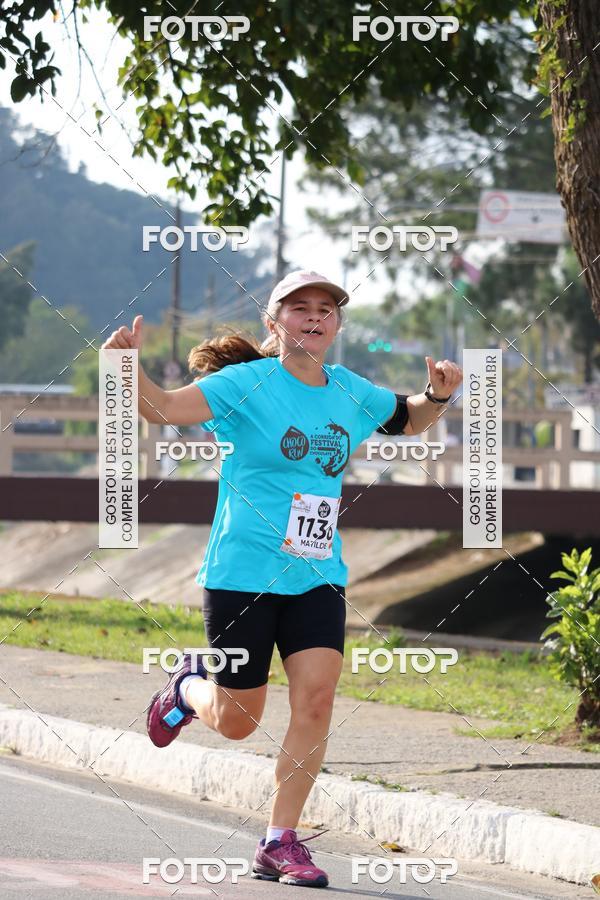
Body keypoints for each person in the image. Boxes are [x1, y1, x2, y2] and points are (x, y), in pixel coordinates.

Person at [101, 269, 463, 889]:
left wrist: (438, 395)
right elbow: (160, 409)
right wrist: (122, 367)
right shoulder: (244, 383)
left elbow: (405, 419)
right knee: (238, 720)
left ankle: (279, 840)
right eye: (300, 308)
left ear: (338, 326)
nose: (315, 316)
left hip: (318, 572)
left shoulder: (348, 390)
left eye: (326, 308)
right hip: (242, 573)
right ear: (275, 324)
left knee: (317, 701)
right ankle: (188, 687)